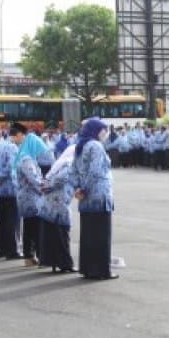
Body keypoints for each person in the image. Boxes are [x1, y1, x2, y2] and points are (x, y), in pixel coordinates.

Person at [71, 118, 118, 280]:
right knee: (101, 235)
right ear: (96, 130)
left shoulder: (80, 145)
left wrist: (77, 188)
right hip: (98, 196)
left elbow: (73, 171)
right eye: (103, 130)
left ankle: (87, 268)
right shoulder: (96, 146)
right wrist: (84, 189)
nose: (105, 133)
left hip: (85, 199)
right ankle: (101, 270)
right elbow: (96, 171)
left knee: (88, 235)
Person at [39, 145, 77, 273]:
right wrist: (49, 186)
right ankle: (65, 264)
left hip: (50, 201)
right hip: (59, 201)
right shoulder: (71, 163)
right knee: (62, 231)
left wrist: (47, 186)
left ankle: (52, 262)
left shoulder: (61, 162)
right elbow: (62, 178)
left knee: (52, 231)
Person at [14, 128, 46, 267]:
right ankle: (39, 256)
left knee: (29, 227)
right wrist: (45, 187)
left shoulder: (24, 157)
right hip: (31, 198)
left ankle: (29, 257)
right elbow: (34, 179)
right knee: (36, 228)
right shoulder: (27, 159)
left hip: (26, 197)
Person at [0, 124, 21, 260]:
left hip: (1, 188)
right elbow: (11, 167)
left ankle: (0, 249)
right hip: (12, 187)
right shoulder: (13, 147)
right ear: (17, 135)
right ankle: (12, 250)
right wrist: (1, 176)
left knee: (2, 220)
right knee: (12, 220)